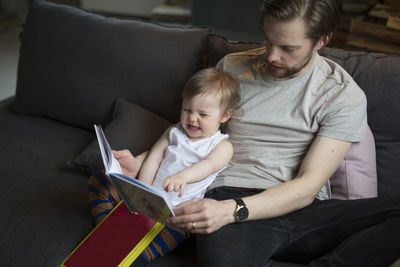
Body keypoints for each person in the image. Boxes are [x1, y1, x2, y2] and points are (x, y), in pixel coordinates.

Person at [157, 0, 399, 266]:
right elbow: (191, 136)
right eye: (269, 40)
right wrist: (146, 162)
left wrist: (231, 212)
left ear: (322, 40)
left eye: (288, 48)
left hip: (305, 209)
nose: (272, 56)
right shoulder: (231, 69)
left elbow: (308, 185)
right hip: (232, 195)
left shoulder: (342, 95)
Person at [88, 67, 240, 265]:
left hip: (174, 213)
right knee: (99, 180)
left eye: (203, 114)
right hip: (146, 198)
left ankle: (127, 249)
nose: (192, 118)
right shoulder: (173, 131)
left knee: (169, 235)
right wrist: (141, 192)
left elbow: (208, 165)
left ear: (224, 116)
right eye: (187, 110)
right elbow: (154, 157)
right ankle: (106, 226)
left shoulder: (222, 146)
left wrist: (183, 177)